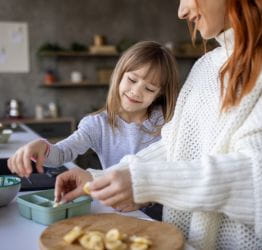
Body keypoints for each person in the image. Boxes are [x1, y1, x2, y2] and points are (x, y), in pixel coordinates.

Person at [48, 0, 262, 249]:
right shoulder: (205, 67)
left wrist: (146, 182)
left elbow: (254, 176)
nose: (182, 11)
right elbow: (175, 147)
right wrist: (99, 178)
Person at [8, 41, 179, 219]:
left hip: (160, 216)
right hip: (116, 212)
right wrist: (41, 147)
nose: (136, 91)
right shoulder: (97, 124)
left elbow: (174, 176)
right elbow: (62, 153)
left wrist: (145, 199)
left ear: (159, 93)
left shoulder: (168, 123)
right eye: (132, 80)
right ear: (119, 75)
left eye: (149, 88)